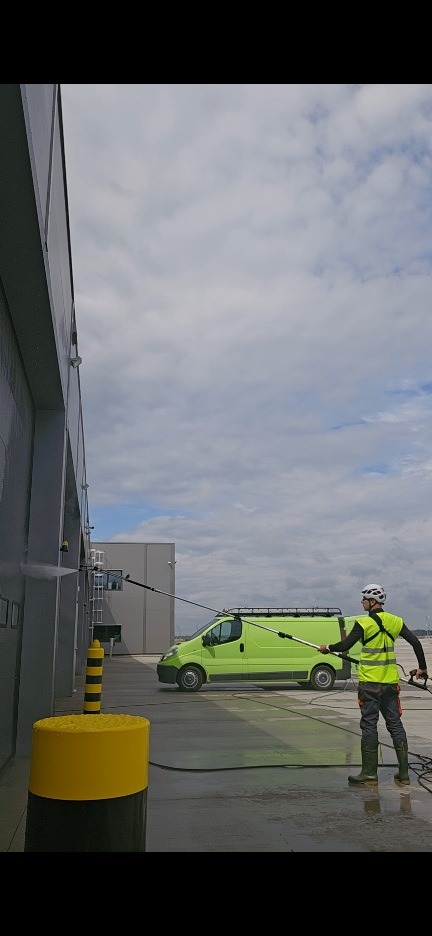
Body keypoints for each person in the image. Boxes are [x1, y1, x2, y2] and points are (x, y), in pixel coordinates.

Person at [318, 583, 428, 787]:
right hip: (390, 684)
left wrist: (327, 648)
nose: (361, 602)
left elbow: (345, 646)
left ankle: (369, 774)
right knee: (395, 725)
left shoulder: (363, 623)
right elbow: (416, 642)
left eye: (364, 599)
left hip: (370, 684)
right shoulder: (396, 621)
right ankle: (403, 774)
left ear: (372, 602)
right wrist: (422, 668)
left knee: (369, 724)